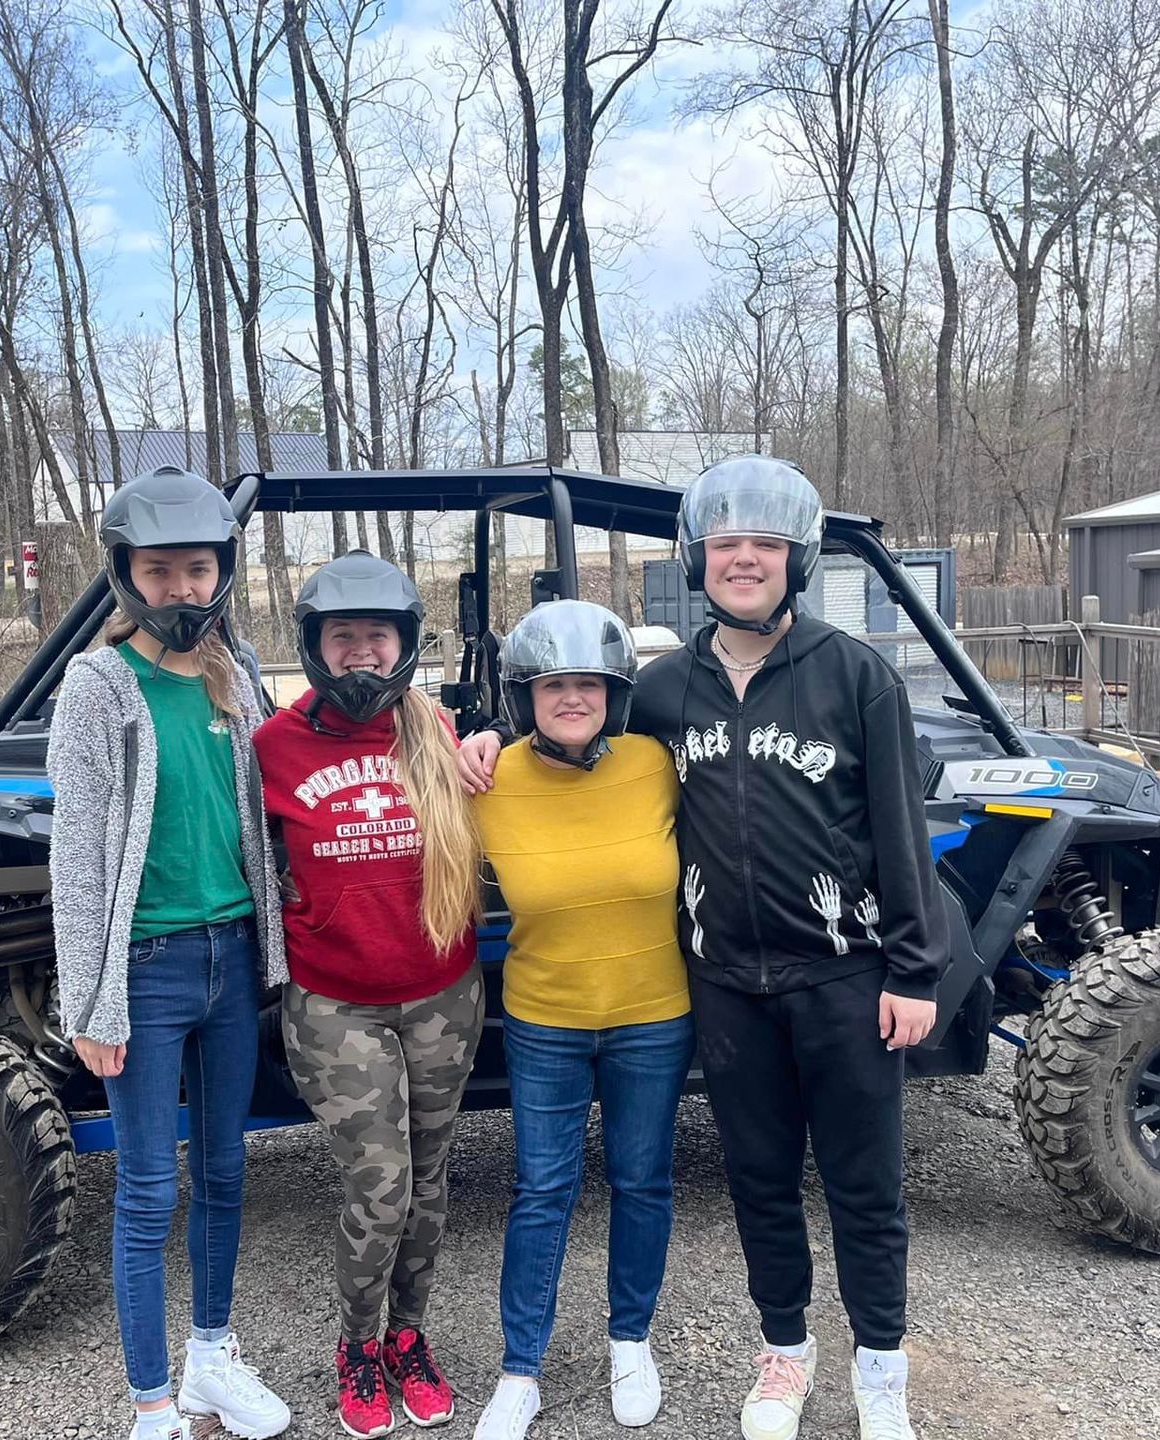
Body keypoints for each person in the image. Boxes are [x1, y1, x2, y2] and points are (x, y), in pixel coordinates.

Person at [458, 456, 946, 1440]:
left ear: (796, 558)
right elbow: (568, 729)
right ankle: (785, 1355)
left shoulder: (856, 675)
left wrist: (915, 967)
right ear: (698, 559)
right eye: (728, 546)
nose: (746, 561)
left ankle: (881, 1367)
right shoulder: (665, 690)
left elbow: (901, 822)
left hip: (845, 975)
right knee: (761, 1180)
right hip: (723, 983)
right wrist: (475, 735)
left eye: (766, 545)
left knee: (865, 1184)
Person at [49, 465, 293, 1440]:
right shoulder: (99, 688)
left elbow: (292, 782)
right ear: (127, 576)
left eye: (199, 570)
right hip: (143, 974)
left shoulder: (240, 679)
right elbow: (75, 858)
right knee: (149, 1188)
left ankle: (210, 1361)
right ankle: (151, 1402)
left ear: (223, 573)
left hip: (232, 960)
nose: (182, 589)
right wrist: (87, 1005)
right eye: (161, 571)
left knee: (226, 1171)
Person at [252, 551, 485, 1440]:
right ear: (314, 645)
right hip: (336, 1005)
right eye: (341, 637)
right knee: (381, 1186)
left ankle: (409, 1340)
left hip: (441, 997)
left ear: (404, 646)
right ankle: (358, 1345)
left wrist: (493, 739)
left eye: (375, 638)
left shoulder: (438, 732)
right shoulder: (272, 748)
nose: (359, 654)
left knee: (428, 1185)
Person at [467, 601, 691, 1440]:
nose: (572, 698)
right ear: (523, 695)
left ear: (614, 692)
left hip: (654, 1014)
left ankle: (630, 1340)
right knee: (543, 1191)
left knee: (643, 1182)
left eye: (588, 683)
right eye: (553, 685)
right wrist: (478, 738)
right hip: (546, 1020)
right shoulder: (487, 779)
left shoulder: (655, 764)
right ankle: (520, 1369)